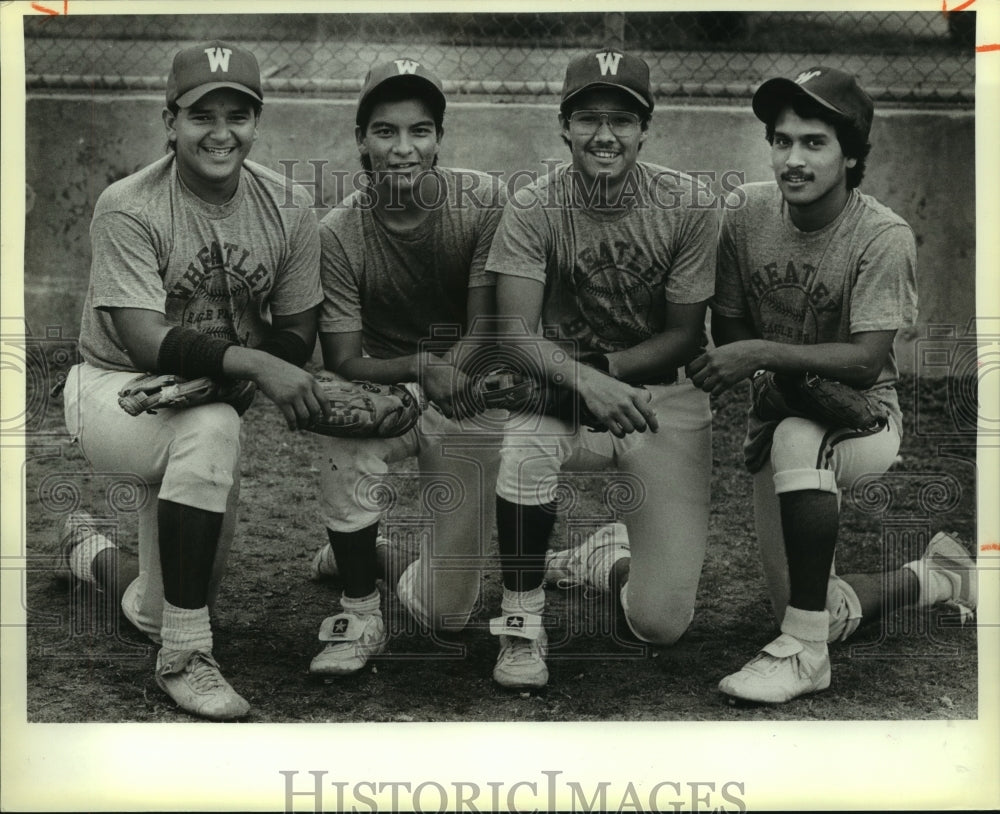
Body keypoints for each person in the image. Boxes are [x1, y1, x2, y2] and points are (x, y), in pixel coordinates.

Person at [57, 41, 330, 720]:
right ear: (169, 121)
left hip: (203, 394)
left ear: (256, 122)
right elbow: (143, 338)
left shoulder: (288, 204)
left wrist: (248, 368)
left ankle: (88, 551)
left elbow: (299, 326)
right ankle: (184, 658)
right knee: (213, 427)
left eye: (237, 115)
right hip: (112, 390)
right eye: (201, 115)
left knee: (161, 606)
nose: (220, 132)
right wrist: (253, 367)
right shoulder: (129, 203)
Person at [687, 66, 977, 704]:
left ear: (850, 154)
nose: (793, 158)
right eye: (782, 140)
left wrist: (762, 355)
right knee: (816, 605)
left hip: (864, 418)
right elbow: (731, 327)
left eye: (814, 142)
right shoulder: (746, 213)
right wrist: (762, 366)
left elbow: (866, 362)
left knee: (800, 439)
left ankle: (805, 658)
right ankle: (936, 576)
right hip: (781, 407)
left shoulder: (881, 234)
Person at [483, 49, 717, 689]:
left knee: (659, 623)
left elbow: (683, 336)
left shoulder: (689, 204)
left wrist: (608, 372)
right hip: (567, 389)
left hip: (661, 398)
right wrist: (589, 382)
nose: (604, 135)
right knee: (526, 440)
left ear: (646, 128)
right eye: (588, 118)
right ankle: (521, 622)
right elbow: (515, 334)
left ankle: (600, 561)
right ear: (564, 126)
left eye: (622, 119)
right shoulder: (535, 205)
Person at [307, 58, 506, 676]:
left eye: (420, 131)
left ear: (439, 138)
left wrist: (442, 378)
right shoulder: (338, 231)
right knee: (341, 427)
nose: (403, 148)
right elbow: (343, 358)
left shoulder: (482, 201)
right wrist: (419, 371)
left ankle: (370, 554)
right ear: (361, 139)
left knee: (446, 615)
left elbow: (482, 325)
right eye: (385, 131)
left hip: (463, 385)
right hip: (389, 385)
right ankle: (358, 608)